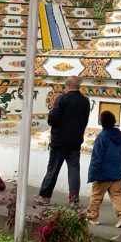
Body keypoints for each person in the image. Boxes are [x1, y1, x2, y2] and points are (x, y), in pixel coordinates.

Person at [34, 76, 90, 206]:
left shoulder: (62, 99)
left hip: (59, 141)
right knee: (74, 169)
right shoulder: (85, 101)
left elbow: (52, 119)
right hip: (75, 140)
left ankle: (45, 197)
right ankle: (73, 199)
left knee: (53, 168)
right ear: (78, 86)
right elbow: (85, 120)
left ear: (67, 86)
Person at [87, 110, 121, 228]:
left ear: (101, 123)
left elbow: (96, 157)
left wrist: (93, 173)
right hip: (118, 172)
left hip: (103, 173)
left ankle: (92, 217)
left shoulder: (101, 137)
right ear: (114, 121)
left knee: (96, 195)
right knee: (117, 194)